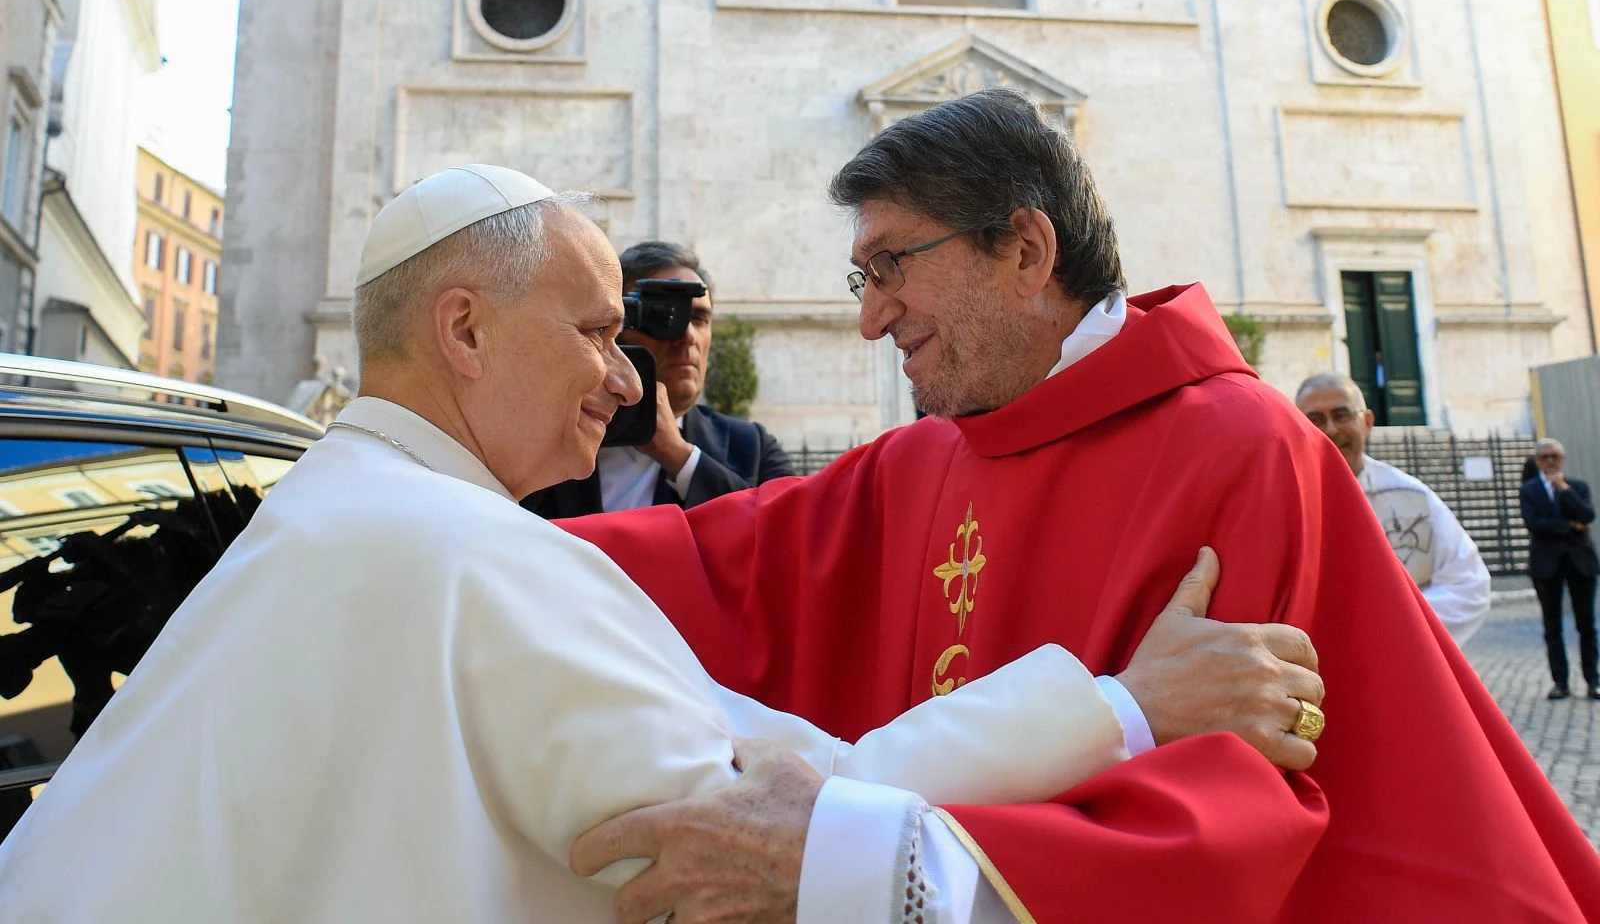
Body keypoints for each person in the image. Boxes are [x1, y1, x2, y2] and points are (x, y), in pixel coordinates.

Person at [0, 165, 1329, 922]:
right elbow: (741, 836)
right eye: (594, 332)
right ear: (463, 331)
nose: (628, 379)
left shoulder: (331, 511)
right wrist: (1121, 706)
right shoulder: (462, 555)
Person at [560, 90, 1600, 922]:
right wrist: (475, 533)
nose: (871, 319)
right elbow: (712, 567)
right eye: (858, 278)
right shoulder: (920, 460)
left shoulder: (1237, 450)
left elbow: (1235, 817)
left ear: (1025, 250)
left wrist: (867, 866)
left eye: (891, 266)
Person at [522, 241, 794, 519]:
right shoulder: (544, 442)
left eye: (699, 318)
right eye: (665, 316)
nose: (687, 335)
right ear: (614, 327)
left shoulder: (752, 448)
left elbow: (788, 529)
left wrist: (682, 459)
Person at [1293, 373, 1491, 644]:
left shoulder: (1410, 497)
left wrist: (1389, 622)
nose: (1331, 430)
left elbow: (1469, 585)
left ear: (1368, 422)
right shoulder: (1283, 503)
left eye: (1341, 415)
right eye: (1315, 420)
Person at [1520, 438, 1599, 700]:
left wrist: (1563, 489)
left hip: (1580, 562)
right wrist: (1571, 526)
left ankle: (1593, 680)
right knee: (1552, 627)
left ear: (1562, 459)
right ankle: (1560, 682)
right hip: (1546, 564)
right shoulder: (1529, 490)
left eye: (1555, 456)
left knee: (1586, 625)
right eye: (1545, 457)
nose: (1550, 461)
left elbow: (1587, 515)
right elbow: (1534, 523)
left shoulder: (1577, 487)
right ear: (1537, 461)